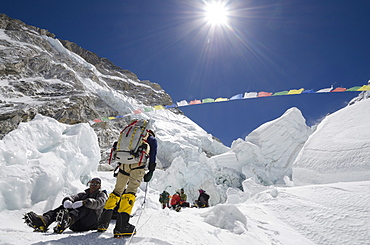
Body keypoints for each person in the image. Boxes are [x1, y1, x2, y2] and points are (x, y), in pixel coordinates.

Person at [98, 129, 157, 238]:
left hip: (123, 165)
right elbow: (153, 155)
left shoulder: (129, 135)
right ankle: (122, 226)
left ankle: (102, 223)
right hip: (137, 166)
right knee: (130, 192)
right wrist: (151, 170)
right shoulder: (151, 139)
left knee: (117, 192)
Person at [24, 177, 107, 234]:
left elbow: (98, 203)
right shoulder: (83, 194)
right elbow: (73, 197)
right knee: (64, 207)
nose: (93, 185)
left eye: (96, 184)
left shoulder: (101, 195)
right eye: (92, 183)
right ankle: (44, 222)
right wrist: (67, 200)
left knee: (85, 207)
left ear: (99, 186)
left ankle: (67, 220)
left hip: (91, 223)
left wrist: (85, 202)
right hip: (77, 225)